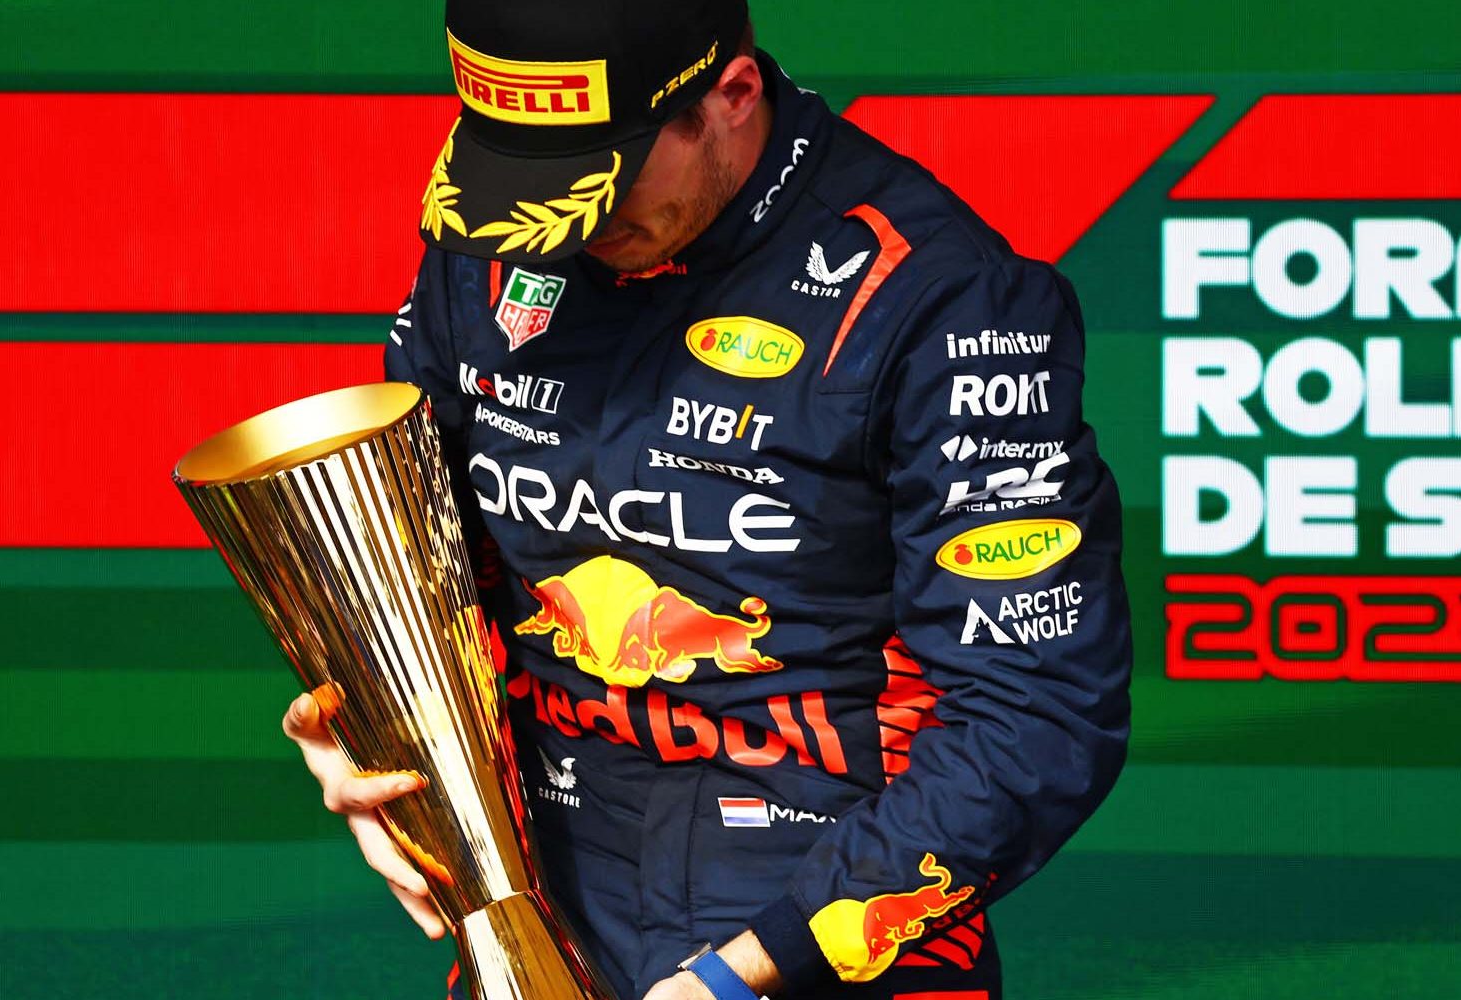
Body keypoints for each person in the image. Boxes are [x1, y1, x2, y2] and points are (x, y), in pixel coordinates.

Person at [282, 1, 1133, 997]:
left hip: (828, 948)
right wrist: (369, 747)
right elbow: (429, 574)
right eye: (531, 178)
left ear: (730, 97)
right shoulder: (497, 240)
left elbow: (1034, 717)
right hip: (549, 945)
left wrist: (732, 980)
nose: (570, 230)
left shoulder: (941, 299)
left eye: (599, 179)